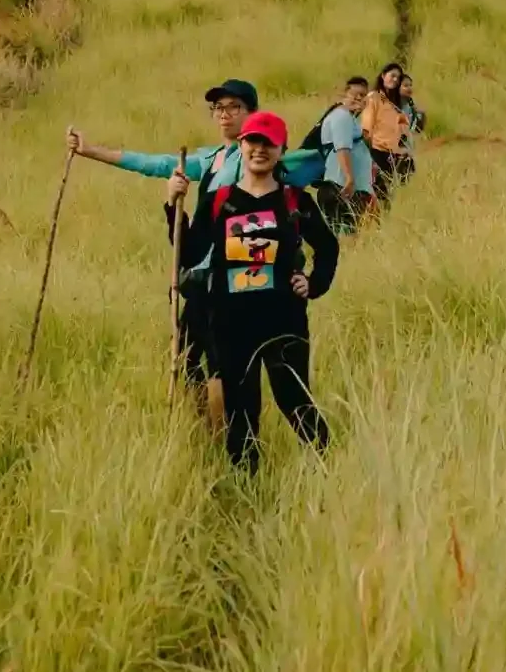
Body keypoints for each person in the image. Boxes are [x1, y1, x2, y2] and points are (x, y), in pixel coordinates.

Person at [64, 79, 323, 414]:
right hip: (203, 278)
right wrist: (92, 151)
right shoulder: (215, 158)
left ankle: (224, 435)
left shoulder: (256, 163)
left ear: (252, 113)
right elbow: (157, 163)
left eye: (234, 107)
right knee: (190, 357)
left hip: (236, 285)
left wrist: (312, 280)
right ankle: (210, 433)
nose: (224, 115)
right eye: (218, 108)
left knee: (224, 366)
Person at [166, 110, 338, 473]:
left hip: (284, 320)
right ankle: (247, 484)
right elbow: (191, 252)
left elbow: (328, 247)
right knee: (240, 410)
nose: (259, 149)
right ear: (241, 145)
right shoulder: (219, 200)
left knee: (295, 401)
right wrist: (173, 206)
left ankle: (330, 468)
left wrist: (314, 283)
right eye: (252, 141)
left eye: (268, 143)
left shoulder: (295, 201)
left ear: (281, 149)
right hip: (230, 322)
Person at [312, 77, 374, 234]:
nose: (359, 99)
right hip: (342, 187)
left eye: (363, 96)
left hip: (343, 187)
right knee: (345, 238)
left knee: (340, 236)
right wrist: (349, 179)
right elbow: (342, 148)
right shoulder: (342, 117)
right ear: (343, 95)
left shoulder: (348, 118)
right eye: (355, 94)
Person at [360, 61, 412, 206]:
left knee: (397, 193)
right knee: (381, 196)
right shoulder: (374, 98)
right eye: (392, 75)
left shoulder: (393, 103)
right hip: (376, 151)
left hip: (394, 153)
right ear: (383, 76)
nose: (395, 80)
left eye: (398, 78)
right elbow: (367, 127)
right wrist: (368, 155)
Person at [397, 73, 425, 184]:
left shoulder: (410, 106)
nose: (409, 88)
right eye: (405, 85)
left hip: (408, 150)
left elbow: (417, 129)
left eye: (410, 85)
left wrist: (420, 115)